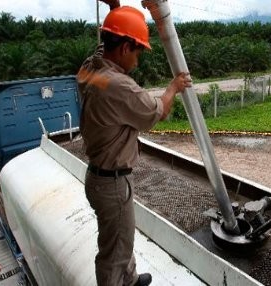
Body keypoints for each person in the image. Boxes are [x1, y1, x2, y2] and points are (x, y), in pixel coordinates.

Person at [77, 1, 191, 285]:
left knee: (121, 238)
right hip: (113, 184)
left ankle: (130, 279)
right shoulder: (119, 86)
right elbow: (159, 111)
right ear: (126, 48)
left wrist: (116, 9)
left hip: (99, 179)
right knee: (114, 253)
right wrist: (173, 87)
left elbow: (102, 50)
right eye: (138, 50)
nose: (138, 59)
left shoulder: (92, 72)